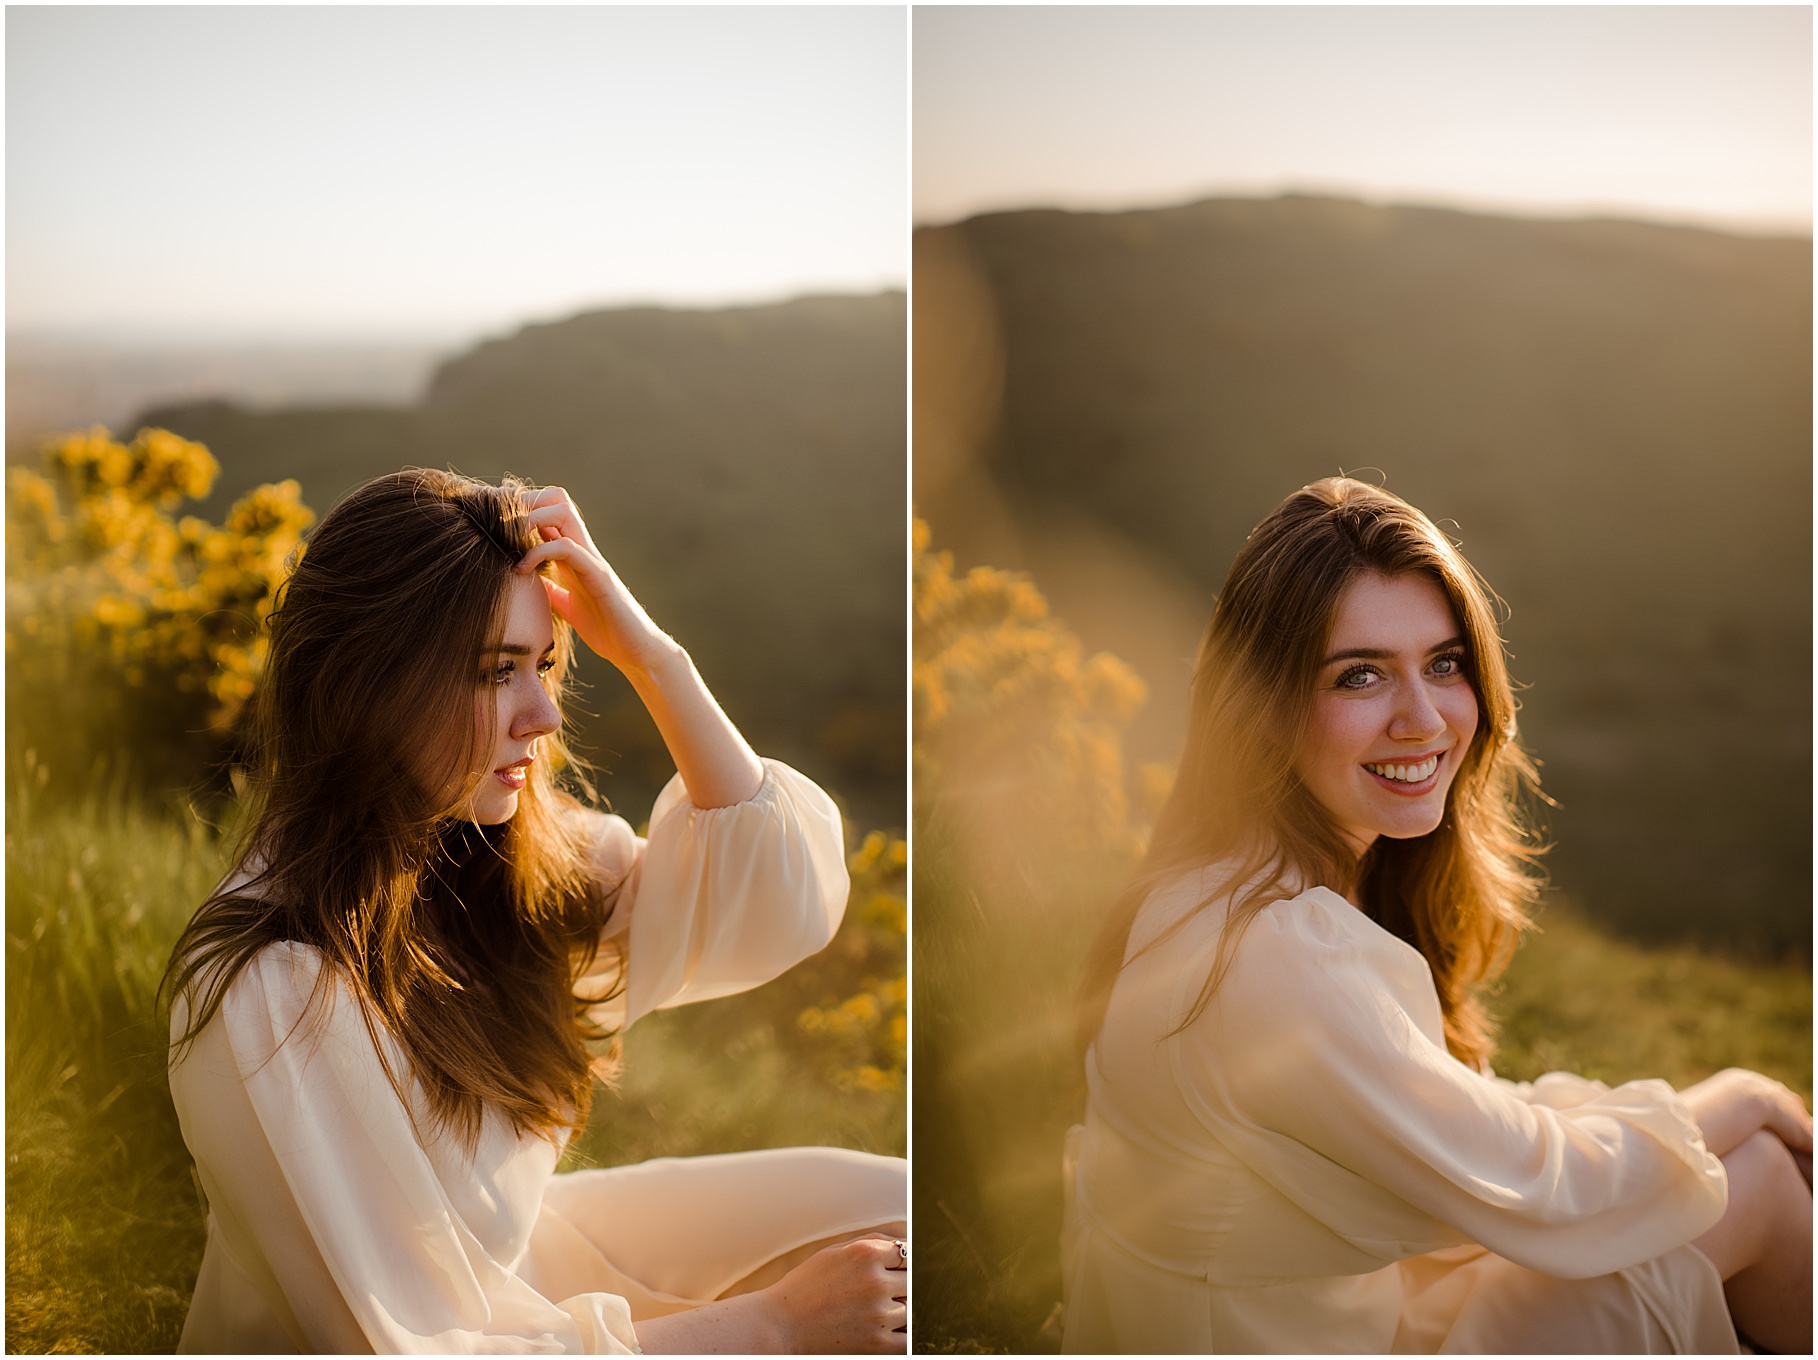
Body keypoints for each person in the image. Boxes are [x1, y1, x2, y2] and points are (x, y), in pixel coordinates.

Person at [162, 469, 907, 1353]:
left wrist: (654, 659)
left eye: (545, 664)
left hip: (511, 1265)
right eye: (498, 672)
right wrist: (775, 1324)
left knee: (894, 1214)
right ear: (368, 685)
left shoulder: (491, 853)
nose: (545, 714)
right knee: (839, 1304)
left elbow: (776, 904)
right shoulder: (274, 987)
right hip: (431, 1327)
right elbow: (410, 1345)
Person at [1064, 477, 1811, 1354]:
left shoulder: (1216, 886)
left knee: (1732, 1170)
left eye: (1445, 664)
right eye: (1361, 675)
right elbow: (1542, 1181)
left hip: (1308, 1322)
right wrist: (1745, 1095)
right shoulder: (1275, 952)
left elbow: (1470, 1124)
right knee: (1756, 1176)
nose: (1423, 720)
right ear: (1262, 704)